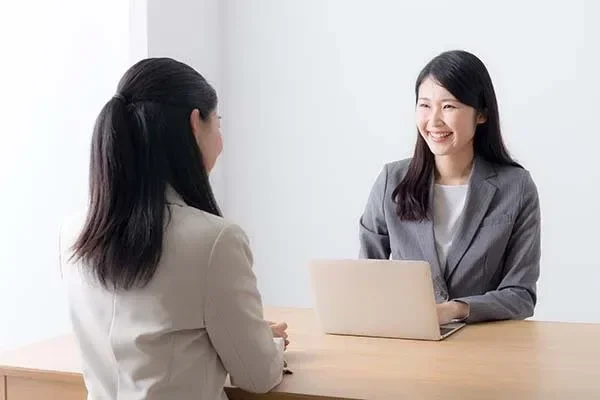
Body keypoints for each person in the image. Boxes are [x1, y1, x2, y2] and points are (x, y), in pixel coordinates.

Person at [59, 57, 288, 399]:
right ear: (195, 124)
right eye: (218, 123)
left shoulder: (75, 233)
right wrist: (270, 344)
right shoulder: (214, 240)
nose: (221, 141)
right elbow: (258, 376)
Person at [359, 50, 541, 325]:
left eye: (449, 107)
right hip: (408, 341)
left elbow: (521, 295)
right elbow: (366, 278)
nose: (434, 121)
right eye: (425, 105)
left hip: (486, 345)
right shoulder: (391, 181)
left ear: (481, 114)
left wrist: (455, 309)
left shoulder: (516, 187)